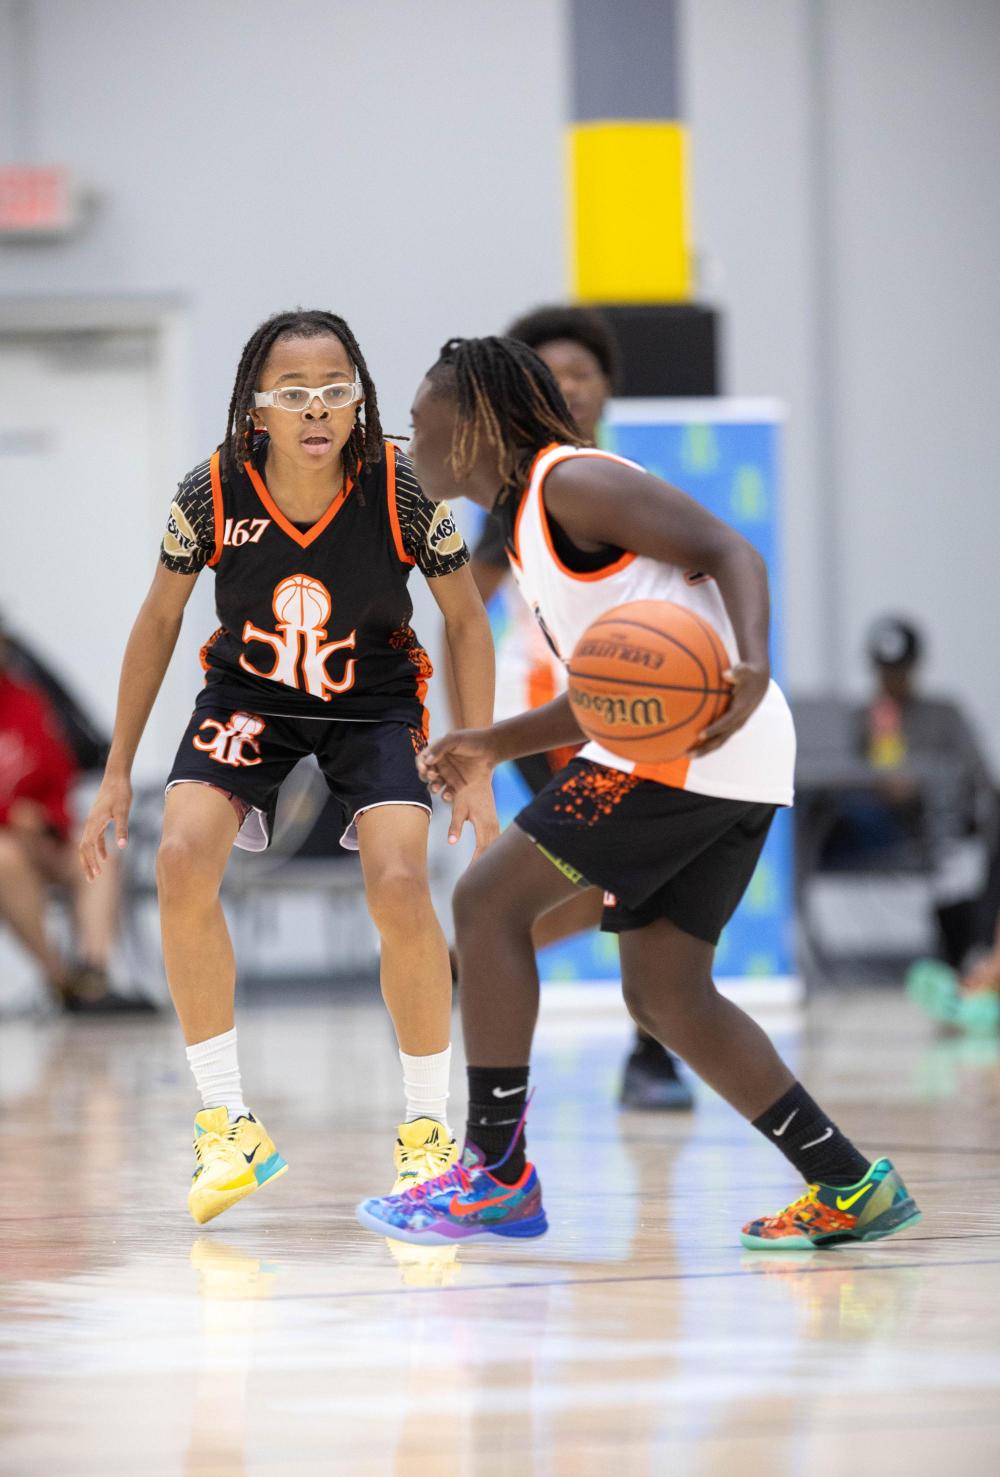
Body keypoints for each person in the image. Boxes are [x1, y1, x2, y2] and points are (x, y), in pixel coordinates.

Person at [356, 335, 922, 1251]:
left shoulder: (570, 482)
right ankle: (848, 1182)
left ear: (476, 426)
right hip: (717, 752)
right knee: (666, 992)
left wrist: (751, 664)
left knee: (488, 902)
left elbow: (730, 549)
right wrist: (493, 743)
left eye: (420, 425)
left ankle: (495, 1172)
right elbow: (614, 691)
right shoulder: (528, 523)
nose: (409, 444)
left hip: (689, 750)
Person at [79, 309, 497, 1225]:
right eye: (294, 393)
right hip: (249, 697)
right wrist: (116, 769)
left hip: (373, 700)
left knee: (398, 883)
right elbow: (158, 620)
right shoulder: (212, 490)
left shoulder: (401, 484)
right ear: (256, 409)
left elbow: (467, 620)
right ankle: (227, 1123)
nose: (317, 409)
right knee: (180, 859)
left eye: (336, 390)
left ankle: (429, 1131)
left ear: (360, 400)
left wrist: (476, 760)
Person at [450, 305, 692, 1110]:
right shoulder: (522, 493)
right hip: (552, 717)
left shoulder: (620, 480)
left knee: (602, 886)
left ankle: (464, 961)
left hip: (637, 711)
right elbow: (465, 612)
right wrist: (469, 732)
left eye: (584, 374)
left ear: (607, 388)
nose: (572, 388)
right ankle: (650, 1056)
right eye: (554, 376)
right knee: (627, 873)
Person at [822, 616, 996, 967]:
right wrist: (877, 780)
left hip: (939, 828)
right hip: (872, 829)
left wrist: (923, 790)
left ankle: (981, 946)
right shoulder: (862, 719)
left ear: (916, 665)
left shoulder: (943, 715)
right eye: (885, 670)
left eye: (899, 669)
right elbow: (833, 785)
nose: (892, 679)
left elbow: (977, 777)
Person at [0, 618, 145, 1012]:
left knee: (98, 853)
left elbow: (57, 774)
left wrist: (48, 822)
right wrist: (11, 816)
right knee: (4, 858)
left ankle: (92, 974)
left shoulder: (26, 700)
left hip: (42, 835)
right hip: (8, 843)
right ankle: (58, 978)